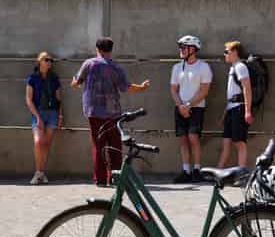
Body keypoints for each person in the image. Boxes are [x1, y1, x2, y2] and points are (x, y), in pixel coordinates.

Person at [72, 37, 151, 187]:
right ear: (111, 50)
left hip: (93, 111)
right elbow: (127, 88)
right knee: (115, 145)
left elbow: (77, 82)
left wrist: (74, 81)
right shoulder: (116, 68)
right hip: (113, 112)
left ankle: (100, 180)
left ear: (97, 49)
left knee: (99, 145)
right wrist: (142, 86)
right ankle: (115, 177)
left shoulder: (89, 64)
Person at [170, 35, 213, 183]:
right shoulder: (176, 67)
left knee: (193, 138)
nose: (181, 50)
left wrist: (188, 105)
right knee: (183, 139)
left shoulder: (203, 67)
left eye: (183, 47)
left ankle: (196, 169)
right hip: (180, 108)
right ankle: (186, 170)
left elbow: (204, 90)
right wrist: (180, 106)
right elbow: (173, 89)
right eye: (180, 47)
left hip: (197, 108)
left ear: (193, 49)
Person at [25, 52, 63, 185]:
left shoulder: (54, 78)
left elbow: (59, 99)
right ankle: (38, 172)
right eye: (46, 60)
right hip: (39, 112)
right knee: (38, 142)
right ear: (40, 61)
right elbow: (29, 100)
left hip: (52, 113)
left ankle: (41, 173)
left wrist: (60, 115)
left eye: (51, 60)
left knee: (46, 144)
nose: (49, 62)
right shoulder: (32, 78)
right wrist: (37, 116)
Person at [217, 40, 254, 168]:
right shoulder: (233, 68)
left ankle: (241, 174)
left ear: (235, 52)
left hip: (239, 108)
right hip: (231, 109)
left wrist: (247, 111)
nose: (225, 54)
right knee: (226, 143)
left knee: (239, 143)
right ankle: (219, 172)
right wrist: (224, 115)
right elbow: (231, 96)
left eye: (226, 52)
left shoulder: (240, 67)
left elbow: (246, 88)